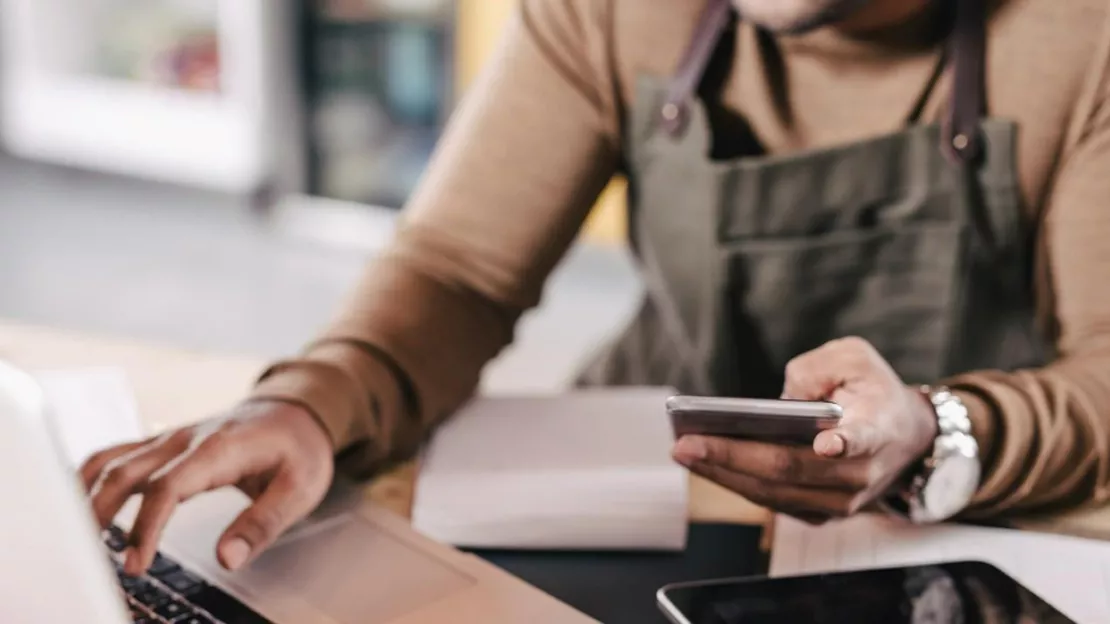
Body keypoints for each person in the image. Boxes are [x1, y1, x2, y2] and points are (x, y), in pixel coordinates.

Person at [84, 0, 1110, 576]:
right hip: (632, 507)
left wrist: (939, 434)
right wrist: (312, 402)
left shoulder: (1084, 34)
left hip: (958, 543)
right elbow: (457, 270)